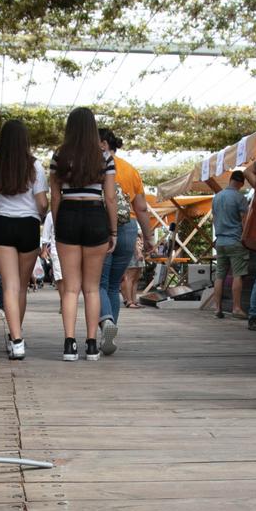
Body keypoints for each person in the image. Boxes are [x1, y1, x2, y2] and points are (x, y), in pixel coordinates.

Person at [48, 106, 118, 361]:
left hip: (67, 213)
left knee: (69, 289)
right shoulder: (104, 158)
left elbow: (54, 195)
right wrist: (114, 231)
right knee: (91, 288)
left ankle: (69, 344)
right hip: (95, 215)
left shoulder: (59, 156)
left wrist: (57, 226)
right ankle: (90, 345)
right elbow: (110, 198)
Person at [0, 120, 46, 360]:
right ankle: (17, 334)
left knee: (9, 285)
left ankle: (17, 340)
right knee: (22, 287)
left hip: (2, 226)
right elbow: (42, 202)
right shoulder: (35, 166)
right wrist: (41, 214)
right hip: (28, 225)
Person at [97, 127, 155, 354]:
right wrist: (148, 237)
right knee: (114, 283)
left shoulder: (95, 166)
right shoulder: (130, 170)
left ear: (103, 144)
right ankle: (110, 331)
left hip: (102, 226)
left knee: (98, 283)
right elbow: (140, 207)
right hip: (128, 228)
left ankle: (106, 322)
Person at [208, 171, 251, 318]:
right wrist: (246, 239)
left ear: (230, 180)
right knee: (238, 275)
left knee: (220, 275)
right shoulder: (240, 198)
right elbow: (244, 221)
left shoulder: (217, 197)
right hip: (235, 241)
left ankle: (217, 308)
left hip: (220, 241)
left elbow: (214, 219)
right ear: (241, 183)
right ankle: (236, 308)